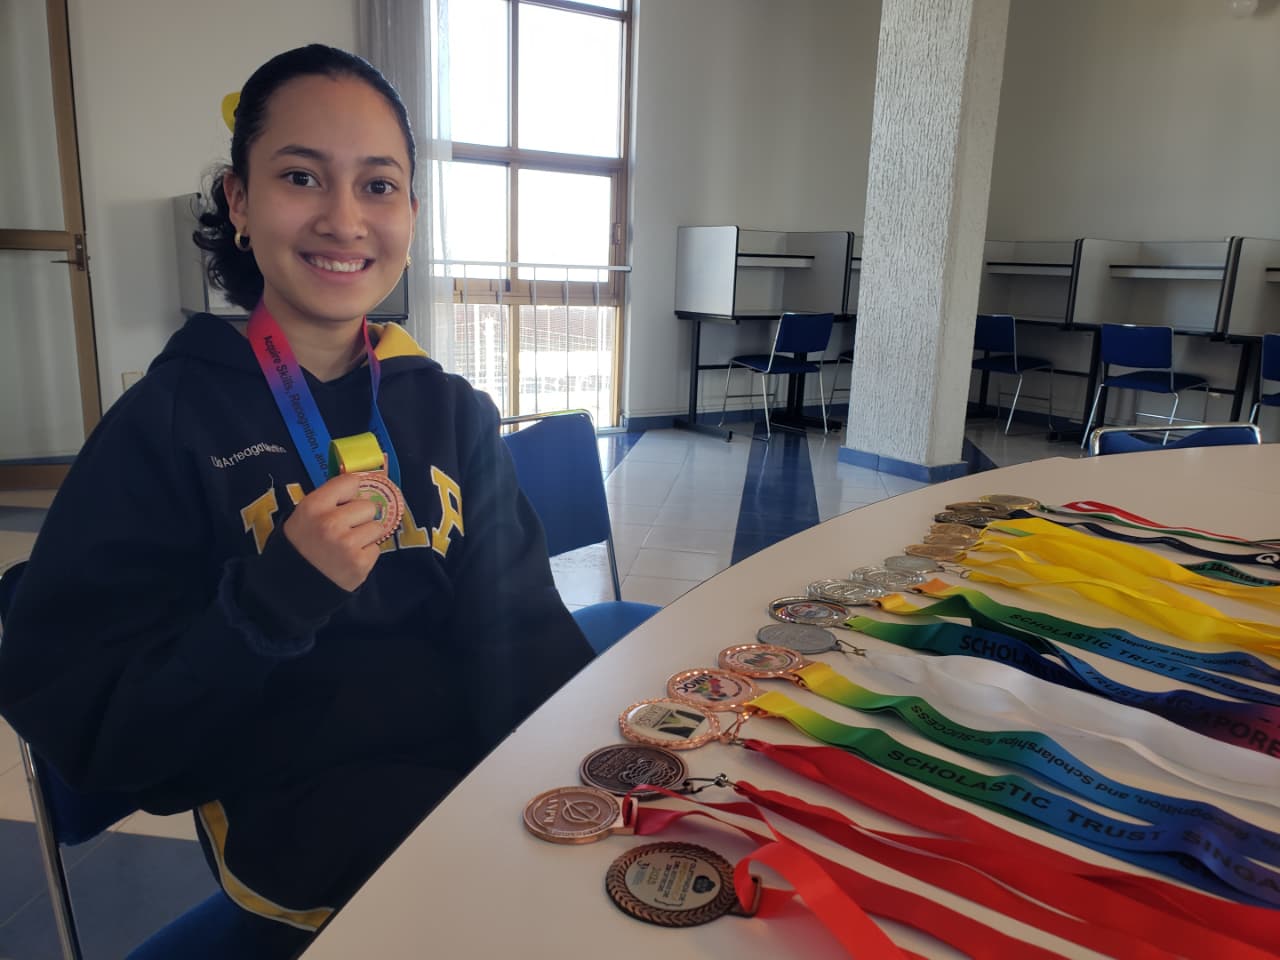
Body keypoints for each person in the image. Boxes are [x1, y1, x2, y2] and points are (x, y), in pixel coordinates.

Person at [0, 44, 592, 955]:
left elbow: (522, 630)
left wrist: (581, 780)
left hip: (475, 796)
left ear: (412, 213)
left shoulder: (447, 408)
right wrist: (274, 601)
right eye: (302, 177)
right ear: (239, 202)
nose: (345, 219)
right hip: (308, 842)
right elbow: (108, 744)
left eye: (380, 185)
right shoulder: (167, 424)